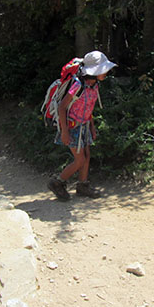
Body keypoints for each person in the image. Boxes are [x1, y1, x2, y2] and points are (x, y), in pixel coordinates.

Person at [48, 50, 117, 201]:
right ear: (93, 72)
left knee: (87, 156)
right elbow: (62, 107)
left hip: (84, 125)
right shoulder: (78, 85)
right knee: (80, 160)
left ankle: (82, 185)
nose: (106, 72)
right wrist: (65, 132)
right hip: (72, 127)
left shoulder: (94, 85)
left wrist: (91, 126)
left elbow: (89, 107)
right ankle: (57, 182)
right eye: (103, 69)